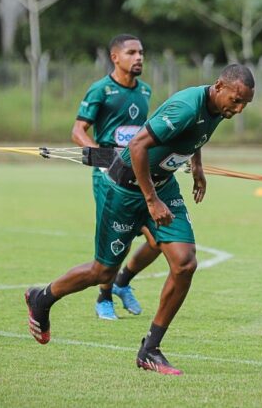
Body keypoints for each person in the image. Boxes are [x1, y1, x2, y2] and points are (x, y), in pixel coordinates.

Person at [25, 64, 255, 374]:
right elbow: (137, 145)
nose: (238, 109)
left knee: (185, 262)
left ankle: (150, 349)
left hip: (162, 185)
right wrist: (151, 200)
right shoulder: (186, 107)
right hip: (125, 189)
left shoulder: (217, 108)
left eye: (245, 104)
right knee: (101, 272)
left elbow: (195, 136)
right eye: (236, 100)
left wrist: (197, 167)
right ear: (218, 86)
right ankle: (42, 297)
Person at [72, 34, 162, 321]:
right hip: (108, 180)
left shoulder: (145, 91)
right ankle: (104, 296)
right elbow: (78, 132)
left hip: (139, 176)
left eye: (141, 52)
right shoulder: (100, 90)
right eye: (132, 52)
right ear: (115, 57)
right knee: (117, 239)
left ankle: (122, 283)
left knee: (158, 240)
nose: (139, 58)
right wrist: (104, 158)